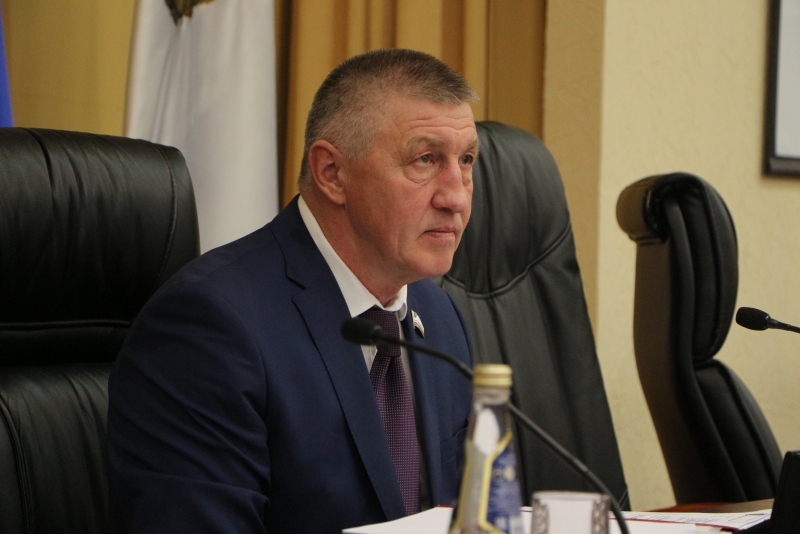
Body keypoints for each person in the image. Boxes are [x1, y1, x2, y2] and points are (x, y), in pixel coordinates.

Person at [107, 48, 479, 533]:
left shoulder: (437, 314)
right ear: (332, 173)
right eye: (425, 159)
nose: (456, 195)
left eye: (466, 160)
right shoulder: (209, 327)